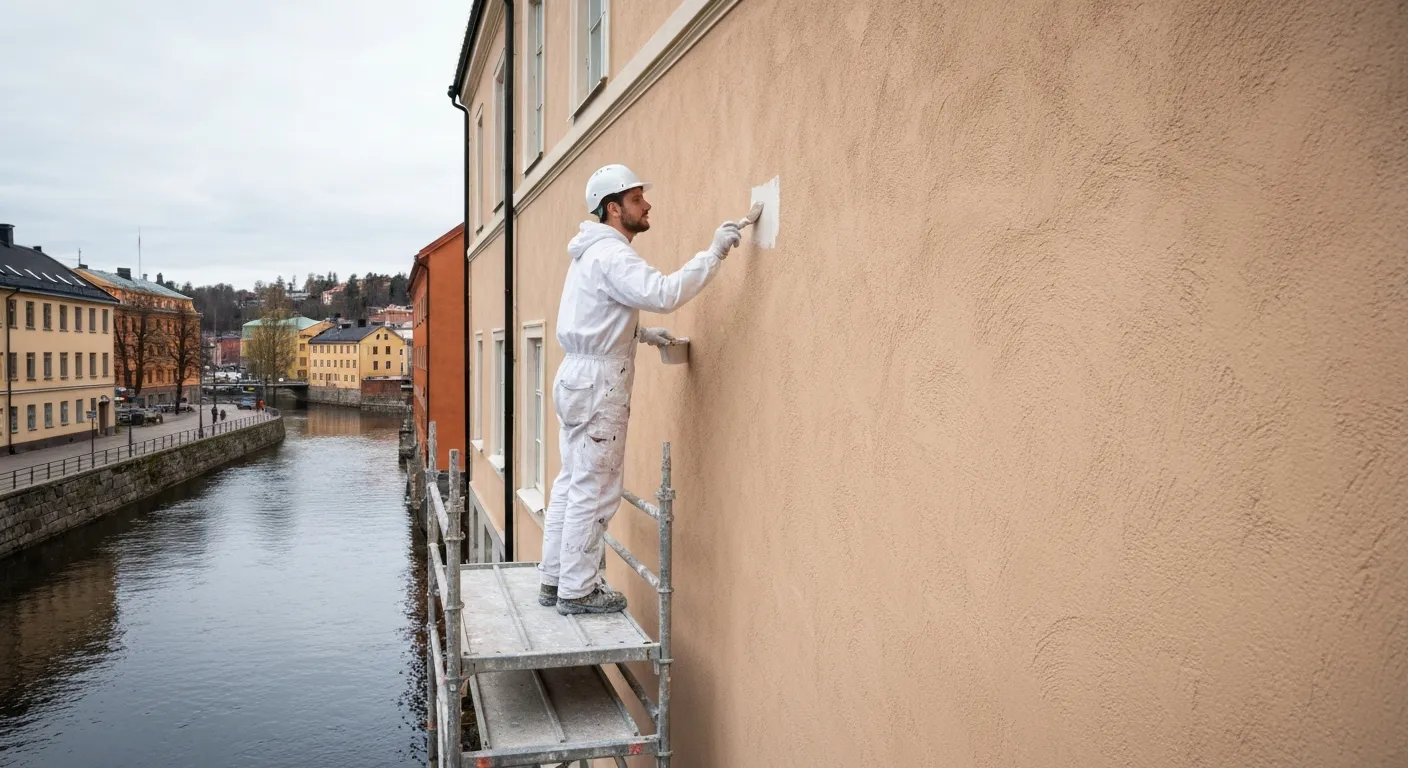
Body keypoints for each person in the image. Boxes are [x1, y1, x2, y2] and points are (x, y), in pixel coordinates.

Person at [538, 164, 743, 615]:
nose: (646, 204)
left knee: (572, 481)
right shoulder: (613, 254)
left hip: (577, 375)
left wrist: (641, 336)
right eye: (636, 199)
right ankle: (577, 591)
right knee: (596, 487)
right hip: (598, 382)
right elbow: (665, 292)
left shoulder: (589, 254)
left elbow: (596, 317)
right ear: (614, 209)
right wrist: (713, 254)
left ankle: (554, 581)